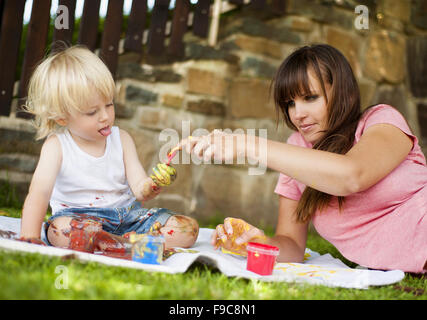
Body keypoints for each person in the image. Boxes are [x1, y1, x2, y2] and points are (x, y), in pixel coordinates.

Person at [177, 44, 427, 273]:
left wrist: (246, 144)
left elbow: (352, 175)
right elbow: (292, 245)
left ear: (345, 93)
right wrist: (258, 243)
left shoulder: (381, 121)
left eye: (310, 98)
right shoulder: (296, 149)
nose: (298, 114)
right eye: (289, 103)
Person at [19, 45, 199, 253]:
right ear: (62, 117)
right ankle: (128, 244)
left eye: (109, 104)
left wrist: (150, 186)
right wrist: (30, 236)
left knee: (187, 229)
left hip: (128, 218)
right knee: (60, 231)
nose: (105, 116)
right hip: (79, 219)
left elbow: (139, 187)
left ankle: (112, 243)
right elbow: (39, 193)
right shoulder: (57, 146)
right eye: (92, 112)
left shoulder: (121, 139)